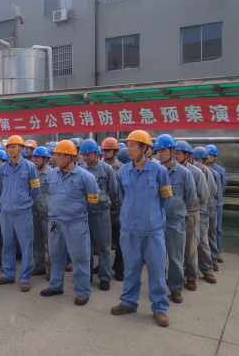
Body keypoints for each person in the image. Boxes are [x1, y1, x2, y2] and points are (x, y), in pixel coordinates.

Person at [110, 130, 172, 328]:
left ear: (144, 148)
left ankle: (160, 308)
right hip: (129, 230)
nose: (128, 149)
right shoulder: (123, 172)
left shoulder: (159, 171)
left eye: (133, 145)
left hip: (152, 231)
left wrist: (155, 217)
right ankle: (128, 302)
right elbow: (123, 196)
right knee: (131, 269)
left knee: (156, 271)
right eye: (127, 145)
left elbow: (166, 199)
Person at [40, 140, 100, 305]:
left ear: (69, 157)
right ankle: (55, 285)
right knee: (56, 256)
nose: (54, 158)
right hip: (55, 222)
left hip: (76, 223)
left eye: (58, 155)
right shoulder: (53, 174)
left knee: (80, 258)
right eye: (54, 154)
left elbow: (93, 201)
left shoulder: (85, 177)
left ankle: (82, 292)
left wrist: (76, 212)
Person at [154, 134, 197, 304]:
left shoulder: (184, 173)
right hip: (156, 222)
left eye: (163, 150)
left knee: (175, 257)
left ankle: (176, 288)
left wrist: (177, 210)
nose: (159, 153)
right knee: (157, 258)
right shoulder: (154, 170)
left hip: (174, 222)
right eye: (157, 151)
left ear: (172, 151)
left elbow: (191, 198)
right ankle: (158, 287)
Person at [0, 135, 39, 292]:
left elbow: (35, 189)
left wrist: (24, 202)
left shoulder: (30, 167)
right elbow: (1, 186)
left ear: (21, 148)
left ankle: (25, 278)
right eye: (9, 147)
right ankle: (8, 274)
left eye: (14, 146)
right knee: (7, 244)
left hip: (22, 213)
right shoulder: (3, 168)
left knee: (26, 246)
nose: (11, 149)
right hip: (6, 212)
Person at [79, 139, 117, 291]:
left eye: (88, 154)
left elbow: (113, 191)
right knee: (86, 247)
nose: (85, 157)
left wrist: (103, 201)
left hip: (101, 213)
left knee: (103, 246)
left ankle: (104, 277)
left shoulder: (106, 169)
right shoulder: (80, 169)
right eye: (83, 155)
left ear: (96, 153)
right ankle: (87, 276)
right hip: (85, 212)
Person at [173, 141, 209, 292]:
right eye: (173, 153)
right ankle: (176, 276)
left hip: (191, 215)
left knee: (191, 248)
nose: (175, 156)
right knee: (175, 250)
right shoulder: (168, 171)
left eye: (177, 154)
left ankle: (191, 277)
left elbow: (204, 196)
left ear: (186, 155)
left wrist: (190, 208)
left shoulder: (196, 173)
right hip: (174, 216)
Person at [194, 147, 223, 274]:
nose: (196, 161)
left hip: (208, 209)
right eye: (195, 159)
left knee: (209, 236)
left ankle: (212, 261)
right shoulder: (190, 171)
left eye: (199, 159)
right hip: (196, 210)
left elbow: (215, 193)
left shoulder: (213, 173)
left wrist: (208, 205)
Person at [101, 137, 124, 281]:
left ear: (115, 152)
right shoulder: (99, 167)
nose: (104, 153)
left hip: (117, 210)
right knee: (103, 242)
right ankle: (103, 266)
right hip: (103, 210)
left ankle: (119, 268)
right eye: (103, 150)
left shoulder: (122, 168)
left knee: (120, 242)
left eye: (107, 150)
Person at [30, 146, 52, 281]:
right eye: (34, 157)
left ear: (45, 159)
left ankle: (52, 269)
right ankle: (39, 266)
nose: (35, 159)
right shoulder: (31, 172)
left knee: (51, 243)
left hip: (48, 214)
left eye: (38, 157)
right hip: (34, 212)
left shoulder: (52, 174)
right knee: (36, 241)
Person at [206, 144, 226, 265]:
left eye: (210, 155)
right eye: (206, 155)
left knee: (217, 229)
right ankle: (206, 253)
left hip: (216, 204)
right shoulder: (199, 169)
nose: (208, 157)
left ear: (215, 157)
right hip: (204, 204)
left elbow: (221, 189)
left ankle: (217, 252)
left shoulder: (220, 171)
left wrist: (215, 202)